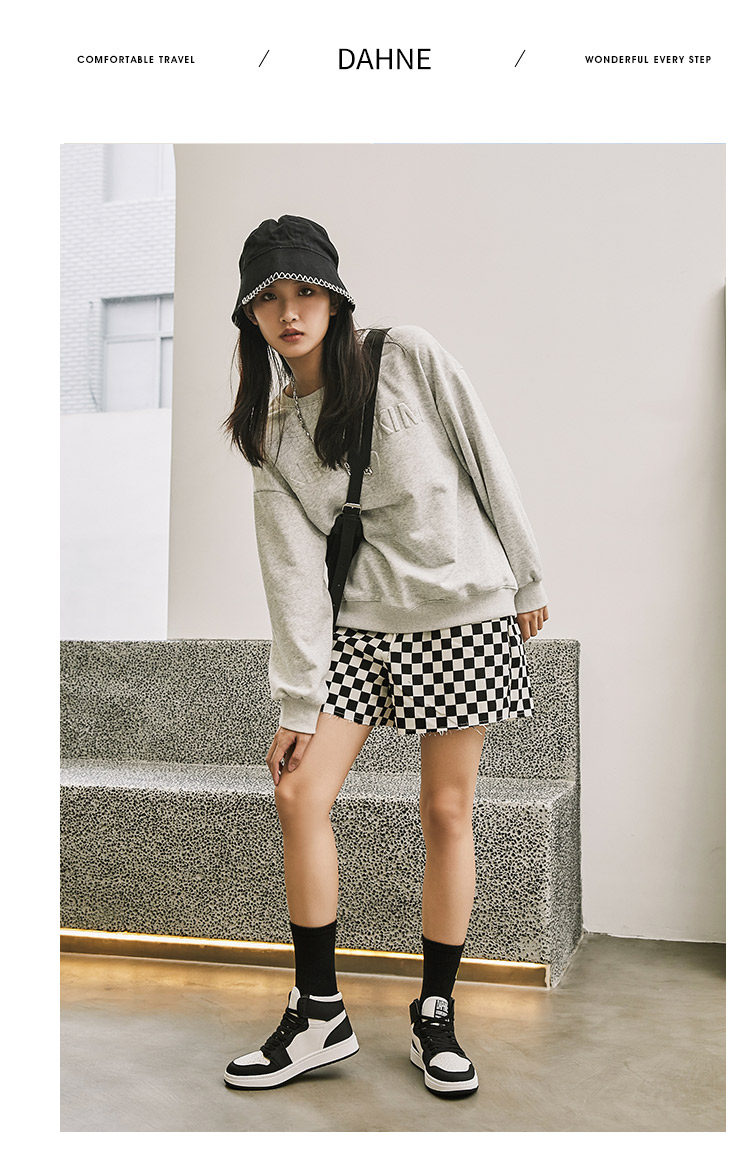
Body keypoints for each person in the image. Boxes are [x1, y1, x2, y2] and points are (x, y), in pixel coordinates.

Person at [221, 214, 549, 1098]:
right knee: (299, 791)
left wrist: (525, 576)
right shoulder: (269, 432)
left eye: (306, 292)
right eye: (269, 300)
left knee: (445, 811)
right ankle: (319, 1014)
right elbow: (293, 576)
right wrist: (297, 701)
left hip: (461, 614)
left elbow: (485, 456)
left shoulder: (407, 356)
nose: (290, 313)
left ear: (336, 299)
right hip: (359, 632)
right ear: (250, 317)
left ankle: (435, 1012)